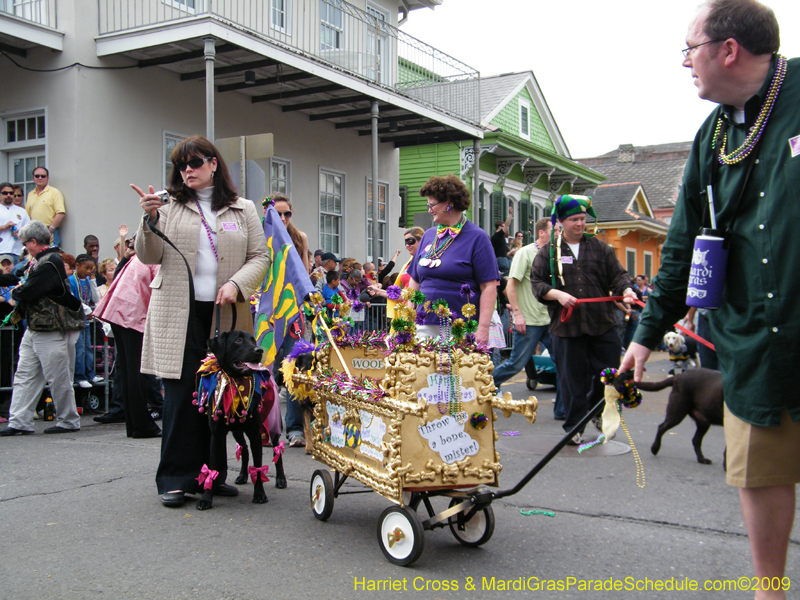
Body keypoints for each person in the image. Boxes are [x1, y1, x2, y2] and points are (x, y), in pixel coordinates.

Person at [621, 2, 798, 594]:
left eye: (688, 48)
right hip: (753, 340)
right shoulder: (712, 137)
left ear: (727, 49)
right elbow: (680, 252)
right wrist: (646, 337)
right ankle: (768, 590)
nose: (684, 63)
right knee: (763, 472)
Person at [132, 135, 270, 508]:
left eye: (194, 163)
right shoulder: (170, 206)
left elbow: (260, 257)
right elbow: (148, 255)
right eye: (181, 165)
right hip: (179, 311)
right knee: (181, 395)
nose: (187, 170)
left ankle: (210, 477)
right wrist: (149, 218)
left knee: (220, 395)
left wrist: (236, 284)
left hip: (224, 313)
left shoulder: (243, 209)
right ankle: (176, 477)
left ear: (213, 164)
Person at [531, 195, 638, 445]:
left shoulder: (600, 247)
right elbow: (537, 284)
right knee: (571, 380)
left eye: (582, 219)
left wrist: (627, 290)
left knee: (609, 375)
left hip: (602, 324)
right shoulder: (548, 253)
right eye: (574, 220)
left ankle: (596, 411)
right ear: (561, 222)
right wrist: (556, 294)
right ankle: (574, 426)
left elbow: (619, 276)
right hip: (566, 328)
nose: (580, 224)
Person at [1, 221, 83, 435]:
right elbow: (22, 280)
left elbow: (28, 290)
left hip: (51, 328)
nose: (24, 247)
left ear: (34, 242)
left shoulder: (49, 263)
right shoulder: (43, 261)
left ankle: (68, 420)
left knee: (59, 376)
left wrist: (12, 293)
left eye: (25, 243)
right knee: (25, 375)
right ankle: (19, 421)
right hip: (38, 326)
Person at [408, 175, 498, 343]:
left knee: (456, 370)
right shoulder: (428, 235)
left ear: (449, 202)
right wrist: (409, 316)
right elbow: (415, 280)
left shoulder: (478, 237)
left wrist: (483, 328)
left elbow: (488, 286)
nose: (429, 210)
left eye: (432, 204)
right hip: (424, 324)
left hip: (460, 326)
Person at [492, 218, 564, 418]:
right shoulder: (525, 253)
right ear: (542, 232)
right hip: (529, 321)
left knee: (563, 362)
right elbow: (510, 286)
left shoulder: (556, 255)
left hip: (550, 320)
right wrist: (517, 315)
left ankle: (562, 411)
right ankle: (483, 385)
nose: (559, 233)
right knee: (515, 364)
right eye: (556, 230)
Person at [94, 252, 161, 439]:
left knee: (129, 372)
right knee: (138, 373)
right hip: (132, 314)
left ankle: (134, 424)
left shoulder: (140, 255)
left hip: (120, 311)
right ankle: (141, 424)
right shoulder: (154, 257)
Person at [270, 192, 312, 448]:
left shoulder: (299, 237)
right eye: (278, 213)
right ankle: (265, 427)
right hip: (266, 314)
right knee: (264, 371)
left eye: (287, 213)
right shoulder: (261, 235)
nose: (284, 218)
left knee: (294, 369)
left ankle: (295, 429)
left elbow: (305, 275)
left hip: (293, 312)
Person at [69, 254, 101, 389]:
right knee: (79, 350)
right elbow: (71, 299)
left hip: (86, 322)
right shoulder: (71, 280)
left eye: (92, 268)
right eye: (86, 268)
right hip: (76, 321)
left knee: (88, 349)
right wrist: (86, 310)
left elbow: (95, 298)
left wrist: (93, 282)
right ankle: (80, 376)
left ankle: (90, 374)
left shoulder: (88, 280)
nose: (89, 271)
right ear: (77, 266)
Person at [25, 167, 65, 248]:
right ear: (33, 178)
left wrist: (50, 230)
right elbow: (27, 215)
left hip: (49, 231)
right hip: (33, 232)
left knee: (49, 256)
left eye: (43, 176)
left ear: (47, 178)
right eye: (37, 176)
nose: (40, 178)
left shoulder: (54, 192)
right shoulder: (30, 194)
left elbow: (60, 213)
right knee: (36, 258)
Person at [0, 182, 30, 264]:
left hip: (17, 252)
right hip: (2, 250)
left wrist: (21, 232)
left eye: (11, 193)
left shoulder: (22, 211)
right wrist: (4, 227)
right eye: (5, 193)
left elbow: (29, 231)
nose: (8, 195)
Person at [490, 206, 514, 277]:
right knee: (505, 277)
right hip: (502, 260)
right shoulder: (499, 234)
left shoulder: (494, 237)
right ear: (499, 227)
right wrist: (510, 214)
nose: (505, 228)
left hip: (498, 259)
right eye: (503, 226)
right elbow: (507, 224)